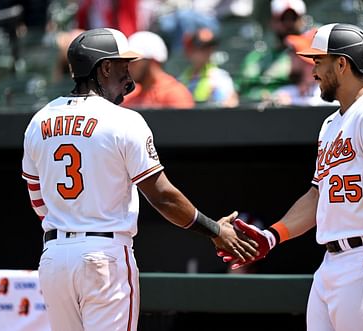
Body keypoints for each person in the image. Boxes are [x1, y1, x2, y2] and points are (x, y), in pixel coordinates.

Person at [21, 28, 257, 331]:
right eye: (123, 66)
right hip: (103, 256)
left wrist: (71, 219)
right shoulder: (123, 120)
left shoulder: (39, 119)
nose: (129, 77)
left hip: (54, 258)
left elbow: (37, 198)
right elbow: (162, 196)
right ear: (105, 67)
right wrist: (214, 230)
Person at [219, 23, 363, 331]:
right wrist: (272, 235)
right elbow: (316, 195)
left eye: (319, 61)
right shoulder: (330, 124)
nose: (313, 71)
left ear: (341, 63)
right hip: (331, 262)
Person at [236, 0, 307, 102]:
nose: (288, 24)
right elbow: (237, 92)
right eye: (283, 19)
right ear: (272, 22)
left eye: (293, 18)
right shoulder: (255, 58)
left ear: (302, 21)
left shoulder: (309, 58)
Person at [122, 30, 195, 110]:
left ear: (152, 61)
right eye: (127, 62)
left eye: (133, 61)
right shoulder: (130, 96)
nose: (128, 67)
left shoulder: (175, 95)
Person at [271, 27, 338, 107]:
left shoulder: (330, 91)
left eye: (294, 51)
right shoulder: (288, 91)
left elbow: (328, 103)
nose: (290, 55)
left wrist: (292, 102)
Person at [179, 27, 239, 108]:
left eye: (210, 46)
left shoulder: (220, 77)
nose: (209, 51)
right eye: (203, 47)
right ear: (190, 50)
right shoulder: (183, 78)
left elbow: (231, 103)